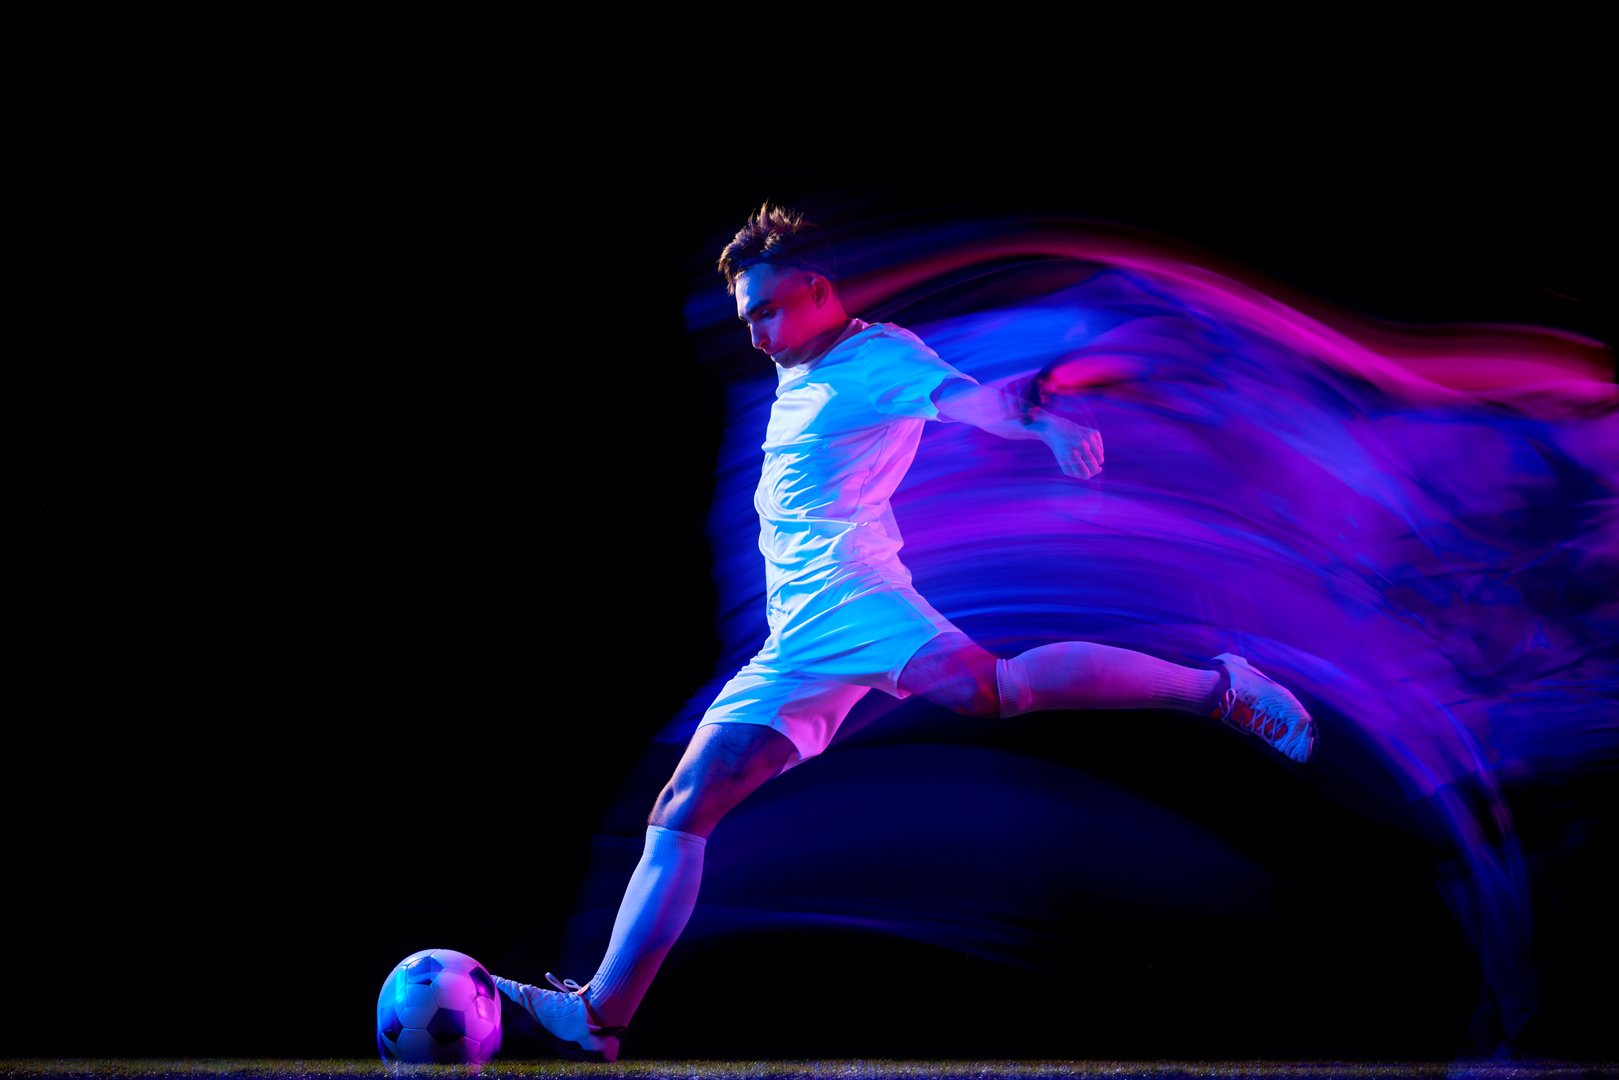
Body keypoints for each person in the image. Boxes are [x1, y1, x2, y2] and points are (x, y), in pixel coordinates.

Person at [493, 203, 1318, 1063]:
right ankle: (599, 1015)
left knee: (992, 691)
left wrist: (1034, 420)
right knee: (683, 808)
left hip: (856, 602)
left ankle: (1219, 687)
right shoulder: (802, 370)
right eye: (746, 320)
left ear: (816, 291)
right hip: (797, 639)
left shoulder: (873, 356)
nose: (756, 334)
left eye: (767, 311)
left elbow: (969, 401)